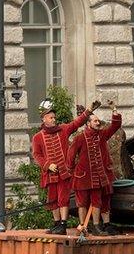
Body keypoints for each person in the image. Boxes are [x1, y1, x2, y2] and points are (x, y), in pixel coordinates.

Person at [32, 100, 99, 235]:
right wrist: (47, 165)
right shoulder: (37, 137)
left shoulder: (63, 129)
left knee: (63, 198)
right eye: (51, 117)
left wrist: (89, 110)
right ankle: (56, 224)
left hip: (64, 173)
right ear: (44, 119)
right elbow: (37, 155)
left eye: (54, 117)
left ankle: (63, 224)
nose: (54, 119)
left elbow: (76, 123)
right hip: (50, 174)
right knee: (52, 200)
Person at [68, 101, 123, 236]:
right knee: (81, 203)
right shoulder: (80, 138)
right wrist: (70, 171)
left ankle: (97, 226)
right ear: (88, 123)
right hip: (83, 176)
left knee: (97, 202)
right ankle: (83, 226)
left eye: (98, 121)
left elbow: (116, 125)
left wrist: (113, 109)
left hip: (98, 177)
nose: (98, 123)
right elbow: (71, 155)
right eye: (95, 121)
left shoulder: (102, 135)